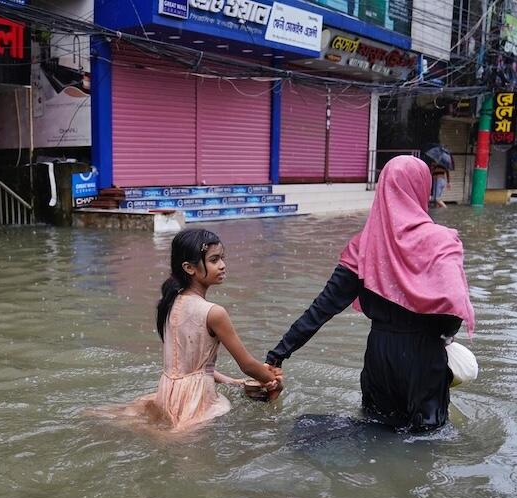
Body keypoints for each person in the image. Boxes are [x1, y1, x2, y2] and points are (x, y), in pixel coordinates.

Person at [265, 155, 475, 432]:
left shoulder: (363, 248)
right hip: (424, 358)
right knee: (426, 441)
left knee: (376, 428)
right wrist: (443, 339)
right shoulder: (441, 241)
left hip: (379, 358)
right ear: (420, 188)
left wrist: (278, 354)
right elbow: (453, 308)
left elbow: (322, 309)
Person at [107, 228, 282, 431]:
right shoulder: (214, 313)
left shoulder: (170, 302)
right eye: (214, 260)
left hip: (167, 393)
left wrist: (233, 382)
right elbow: (248, 365)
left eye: (222, 258)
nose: (223, 266)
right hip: (197, 399)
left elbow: (190, 368)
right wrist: (273, 381)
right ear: (189, 268)